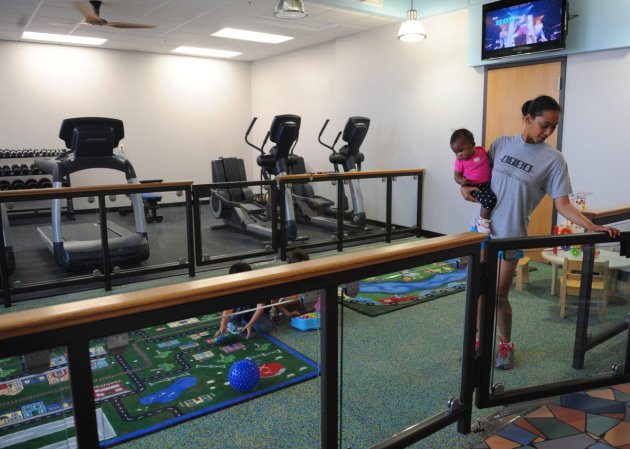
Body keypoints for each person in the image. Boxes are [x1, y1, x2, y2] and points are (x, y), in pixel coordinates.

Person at [460, 95, 620, 370]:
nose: (547, 132)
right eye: (544, 124)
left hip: (510, 236)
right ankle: (476, 341)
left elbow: (563, 204)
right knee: (477, 293)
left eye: (553, 127)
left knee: (498, 295)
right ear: (527, 118)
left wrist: (592, 226)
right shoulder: (500, 144)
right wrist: (464, 188)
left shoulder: (554, 161)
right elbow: (477, 178)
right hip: (480, 231)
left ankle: (505, 343)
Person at [451, 129, 497, 234]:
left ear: (473, 145)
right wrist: (461, 182)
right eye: (456, 152)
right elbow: (456, 176)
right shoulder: (459, 162)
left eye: (461, 150)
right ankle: (482, 222)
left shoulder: (481, 151)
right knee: (490, 200)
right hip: (474, 186)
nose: (459, 154)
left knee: (492, 198)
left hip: (487, 184)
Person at [215, 261, 273, 338]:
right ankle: (237, 321)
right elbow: (229, 306)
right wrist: (223, 324)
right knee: (228, 311)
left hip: (254, 310)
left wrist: (250, 324)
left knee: (264, 327)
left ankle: (245, 321)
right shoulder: (233, 285)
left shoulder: (258, 285)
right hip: (241, 308)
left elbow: (260, 307)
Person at [272, 249, 311, 320]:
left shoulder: (307, 273)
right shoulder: (284, 277)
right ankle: (282, 312)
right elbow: (274, 301)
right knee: (295, 297)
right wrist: (288, 314)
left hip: (300, 300)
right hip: (285, 302)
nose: (303, 269)